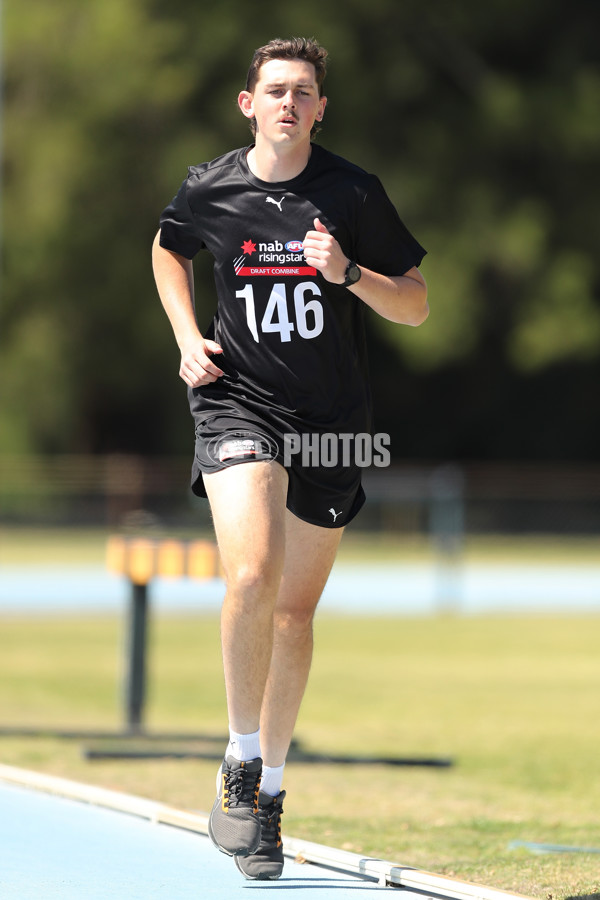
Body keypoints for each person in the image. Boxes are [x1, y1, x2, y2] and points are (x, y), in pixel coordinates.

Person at [152, 36, 428, 881]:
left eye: (303, 91)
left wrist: (348, 274)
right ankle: (239, 760)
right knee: (250, 575)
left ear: (319, 109)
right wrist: (187, 334)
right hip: (239, 404)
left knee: (294, 616)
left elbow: (415, 306)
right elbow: (169, 247)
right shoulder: (212, 185)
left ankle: (269, 796)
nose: (287, 103)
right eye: (274, 89)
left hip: (332, 423)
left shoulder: (352, 192)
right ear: (249, 104)